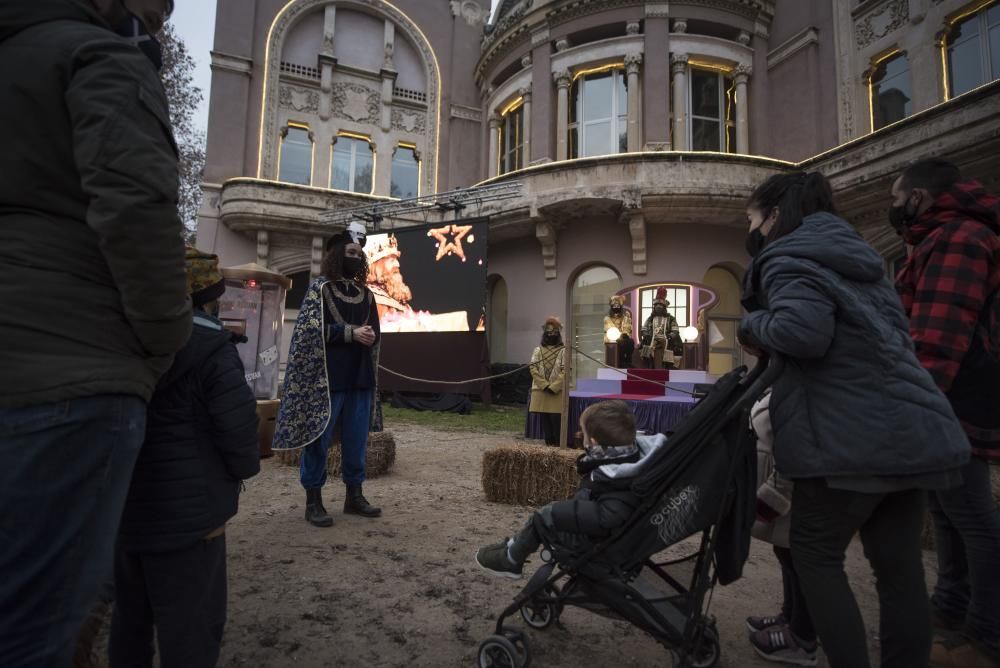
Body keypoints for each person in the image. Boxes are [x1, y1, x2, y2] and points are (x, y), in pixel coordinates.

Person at [0, 0, 191, 664]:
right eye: (158, 2)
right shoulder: (100, 55)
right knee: (39, 628)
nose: (164, 14)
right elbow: (137, 205)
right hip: (72, 377)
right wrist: (166, 337)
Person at [739, 171, 969, 668]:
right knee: (899, 570)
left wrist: (749, 322)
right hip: (911, 433)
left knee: (815, 555)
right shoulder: (859, 260)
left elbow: (801, 333)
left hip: (847, 437)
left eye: (753, 219)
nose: (752, 230)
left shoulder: (789, 257)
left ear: (775, 216)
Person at [109, 247, 260, 668]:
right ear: (207, 297)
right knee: (192, 630)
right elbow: (239, 430)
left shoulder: (122, 341)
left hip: (126, 511)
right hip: (192, 521)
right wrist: (243, 469)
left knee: (129, 623)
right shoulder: (213, 349)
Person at [889, 158, 1000, 668]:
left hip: (955, 397)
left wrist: (918, 405)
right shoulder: (945, 236)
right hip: (956, 395)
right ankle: (952, 609)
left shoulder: (958, 238)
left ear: (919, 196)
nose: (894, 207)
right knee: (948, 511)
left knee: (970, 517)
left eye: (898, 197)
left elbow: (938, 333)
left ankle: (986, 635)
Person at [273, 221, 384, 527]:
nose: (356, 257)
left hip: (360, 378)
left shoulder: (367, 295)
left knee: (356, 440)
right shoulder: (319, 290)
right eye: (350, 251)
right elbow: (308, 332)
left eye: (359, 253)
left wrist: (371, 336)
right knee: (318, 441)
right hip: (328, 380)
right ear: (337, 254)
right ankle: (314, 500)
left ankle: (354, 496)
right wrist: (349, 333)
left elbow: (374, 330)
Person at [476, 400, 658, 577]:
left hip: (594, 542)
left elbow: (610, 515)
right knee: (551, 513)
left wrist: (562, 511)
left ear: (592, 442)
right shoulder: (630, 461)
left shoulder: (618, 477)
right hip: (608, 533)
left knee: (543, 517)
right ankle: (513, 544)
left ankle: (511, 559)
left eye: (583, 434)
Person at [744, 390, 818, 667]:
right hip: (783, 480)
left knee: (800, 558)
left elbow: (797, 443)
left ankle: (802, 637)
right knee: (786, 552)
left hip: (792, 483)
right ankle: (790, 617)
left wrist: (772, 498)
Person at [529, 317, 566, 446]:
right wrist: (544, 385)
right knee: (545, 421)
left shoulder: (563, 350)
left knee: (556, 421)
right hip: (541, 391)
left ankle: (557, 445)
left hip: (557, 393)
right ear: (545, 334)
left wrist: (554, 387)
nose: (551, 335)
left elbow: (565, 370)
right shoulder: (537, 350)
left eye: (554, 332)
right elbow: (533, 368)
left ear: (558, 334)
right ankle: (549, 446)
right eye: (549, 332)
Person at [640, 288, 681, 369]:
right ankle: (649, 366)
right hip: (652, 339)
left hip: (667, 340)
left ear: (664, 307)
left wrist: (669, 337)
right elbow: (644, 329)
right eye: (657, 305)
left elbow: (675, 330)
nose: (658, 307)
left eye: (660, 305)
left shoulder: (671, 318)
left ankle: (668, 367)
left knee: (675, 345)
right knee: (646, 345)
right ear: (654, 307)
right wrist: (647, 335)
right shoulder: (650, 318)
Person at [604, 295, 635, 368]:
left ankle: (627, 362)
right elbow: (609, 328)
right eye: (614, 305)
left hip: (622, 337)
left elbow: (627, 327)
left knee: (630, 341)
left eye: (618, 305)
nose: (616, 307)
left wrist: (624, 334)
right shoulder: (607, 318)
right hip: (611, 338)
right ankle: (619, 362)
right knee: (617, 343)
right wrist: (616, 335)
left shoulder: (625, 316)